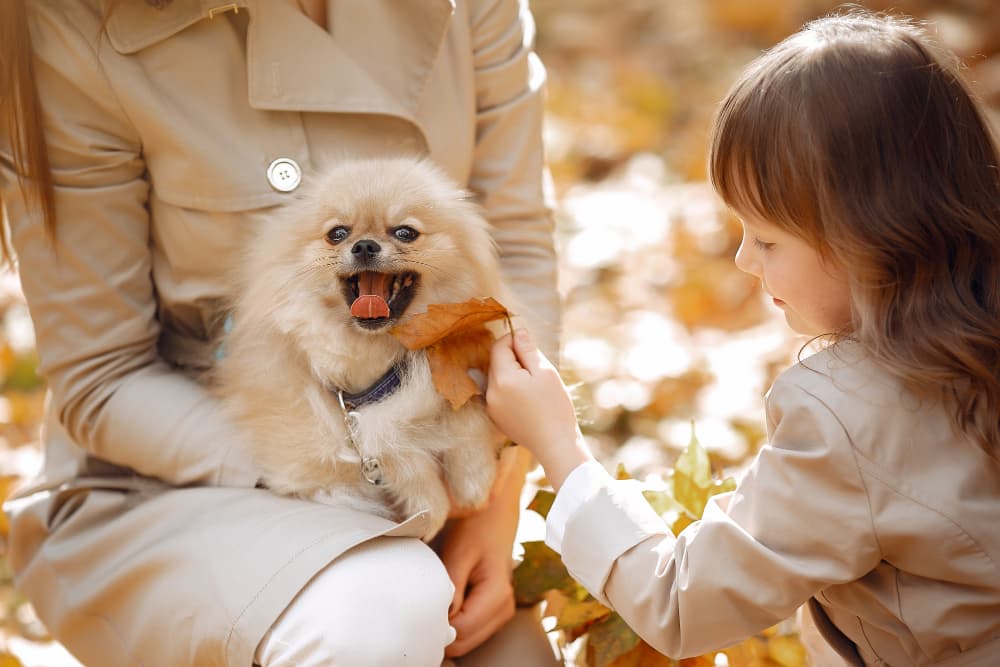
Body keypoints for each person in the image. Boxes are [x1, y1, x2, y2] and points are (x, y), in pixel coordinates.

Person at [0, 1, 562, 666]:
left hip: (449, 457)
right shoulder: (68, 23)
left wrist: (494, 499)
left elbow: (515, 258)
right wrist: (363, 469)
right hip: (188, 476)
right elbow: (103, 381)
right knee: (381, 613)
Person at [486, 9, 1000, 666]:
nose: (743, 262)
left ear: (868, 234)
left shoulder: (846, 416)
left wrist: (558, 443)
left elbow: (680, 602)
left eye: (766, 239)